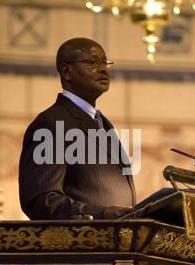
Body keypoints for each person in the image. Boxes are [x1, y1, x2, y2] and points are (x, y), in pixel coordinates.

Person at [19, 37, 136, 220]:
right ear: (67, 71)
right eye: (93, 62)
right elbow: (41, 200)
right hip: (83, 244)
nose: (104, 69)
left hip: (117, 243)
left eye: (105, 62)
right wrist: (102, 214)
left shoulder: (103, 123)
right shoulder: (51, 123)